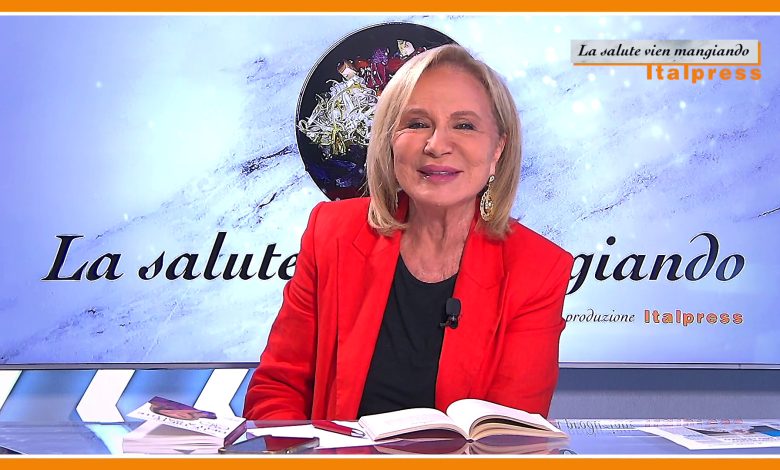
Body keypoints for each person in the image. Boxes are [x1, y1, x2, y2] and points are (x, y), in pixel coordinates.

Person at [244, 44, 573, 421]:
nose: (436, 145)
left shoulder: (538, 269)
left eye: (464, 125)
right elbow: (278, 389)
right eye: (417, 123)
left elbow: (508, 434)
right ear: (390, 139)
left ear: (498, 148)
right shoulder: (331, 232)